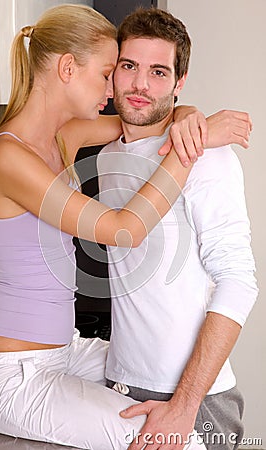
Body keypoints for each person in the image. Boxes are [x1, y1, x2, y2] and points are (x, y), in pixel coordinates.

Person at [0, 3, 252, 449]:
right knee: (167, 440)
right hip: (11, 372)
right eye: (110, 72)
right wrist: (191, 148)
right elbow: (124, 230)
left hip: (66, 351)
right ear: (66, 68)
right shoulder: (5, 158)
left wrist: (190, 115)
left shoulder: (66, 136)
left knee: (160, 371)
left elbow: (150, 115)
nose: (115, 87)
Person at [97, 7, 258, 450]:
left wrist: (185, 403)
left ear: (179, 82)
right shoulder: (107, 156)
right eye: (129, 67)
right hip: (120, 385)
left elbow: (239, 281)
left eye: (158, 72)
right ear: (112, 73)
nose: (140, 84)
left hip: (196, 401)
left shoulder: (207, 155)